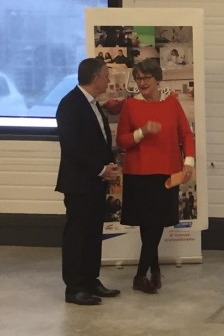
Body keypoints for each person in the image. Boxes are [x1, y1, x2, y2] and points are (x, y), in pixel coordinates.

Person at [116, 58, 195, 293]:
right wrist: (141, 132)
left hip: (166, 172)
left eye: (146, 78)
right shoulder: (130, 106)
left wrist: (188, 162)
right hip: (139, 173)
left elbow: (186, 135)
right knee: (148, 224)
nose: (142, 83)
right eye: (138, 79)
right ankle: (146, 273)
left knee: (156, 223)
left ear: (157, 79)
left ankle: (146, 273)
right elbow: (122, 140)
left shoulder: (172, 104)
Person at [55, 58, 121, 306]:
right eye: (106, 75)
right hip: (78, 183)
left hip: (95, 182)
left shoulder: (93, 104)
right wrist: (100, 169)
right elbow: (72, 146)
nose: (108, 80)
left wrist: (109, 165)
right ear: (95, 78)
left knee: (93, 233)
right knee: (77, 235)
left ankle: (91, 280)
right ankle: (74, 288)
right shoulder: (70, 104)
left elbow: (100, 141)